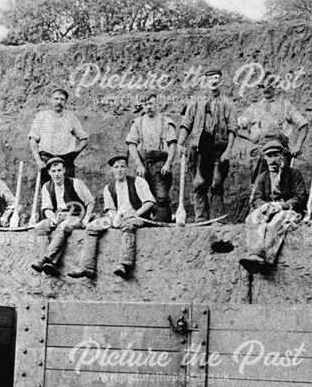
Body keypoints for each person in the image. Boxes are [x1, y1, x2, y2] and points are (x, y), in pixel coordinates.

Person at [69, 154, 156, 280]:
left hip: (138, 216)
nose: (119, 170)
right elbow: (110, 209)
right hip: (117, 217)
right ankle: (87, 266)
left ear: (127, 168)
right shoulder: (108, 188)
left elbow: (149, 202)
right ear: (111, 169)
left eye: (122, 167)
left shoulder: (138, 182)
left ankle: (125, 264)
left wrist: (135, 213)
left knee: (128, 225)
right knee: (92, 227)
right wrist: (115, 218)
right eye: (116, 167)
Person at [177, 69, 237, 222]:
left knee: (217, 183)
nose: (214, 81)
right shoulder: (195, 102)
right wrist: (180, 143)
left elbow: (232, 128)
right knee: (199, 183)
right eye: (210, 78)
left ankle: (217, 219)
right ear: (205, 81)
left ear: (221, 81)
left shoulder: (228, 103)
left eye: (217, 78)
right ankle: (201, 219)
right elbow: (186, 124)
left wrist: (228, 150)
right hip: (199, 149)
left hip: (219, 149)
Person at [239, 140, 306, 274]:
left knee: (276, 222)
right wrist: (264, 206)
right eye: (269, 156)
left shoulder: (294, 174)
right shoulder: (263, 177)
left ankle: (268, 257)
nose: (273, 159)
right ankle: (254, 254)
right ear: (265, 158)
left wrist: (282, 205)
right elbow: (256, 198)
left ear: (281, 155)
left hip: (289, 211)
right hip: (269, 210)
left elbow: (300, 197)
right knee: (251, 219)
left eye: (276, 155)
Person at [30, 157, 95, 277]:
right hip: (58, 216)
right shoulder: (46, 187)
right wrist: (54, 219)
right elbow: (47, 209)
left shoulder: (75, 183)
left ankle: (46, 260)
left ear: (64, 170)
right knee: (40, 227)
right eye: (53, 171)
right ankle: (48, 263)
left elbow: (90, 202)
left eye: (59, 170)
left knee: (63, 227)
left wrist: (86, 219)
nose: (57, 174)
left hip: (76, 215)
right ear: (49, 172)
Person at [237, 76, 309, 181]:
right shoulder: (253, 108)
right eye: (262, 87)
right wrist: (250, 137)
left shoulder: (285, 105)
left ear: (275, 87)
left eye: (269, 86)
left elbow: (304, 125)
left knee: (282, 182)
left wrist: (297, 146)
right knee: (259, 183)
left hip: (280, 151)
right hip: (260, 151)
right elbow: (235, 127)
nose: (265, 89)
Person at [126, 94, 177, 222]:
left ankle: (162, 224)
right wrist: (139, 165)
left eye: (151, 103)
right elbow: (132, 145)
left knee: (161, 196)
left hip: (160, 163)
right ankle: (143, 222)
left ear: (157, 104)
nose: (148, 107)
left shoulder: (166, 121)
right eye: (145, 104)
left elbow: (173, 144)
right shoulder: (138, 123)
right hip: (143, 163)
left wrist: (168, 164)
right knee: (141, 194)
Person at [28, 88, 89, 184]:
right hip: (47, 160)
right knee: (48, 191)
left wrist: (75, 152)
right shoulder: (42, 116)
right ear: (51, 100)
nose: (59, 102)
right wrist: (38, 160)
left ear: (65, 102)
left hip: (66, 161)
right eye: (56, 99)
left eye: (62, 99)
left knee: (68, 192)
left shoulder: (71, 118)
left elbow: (84, 138)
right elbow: (32, 139)